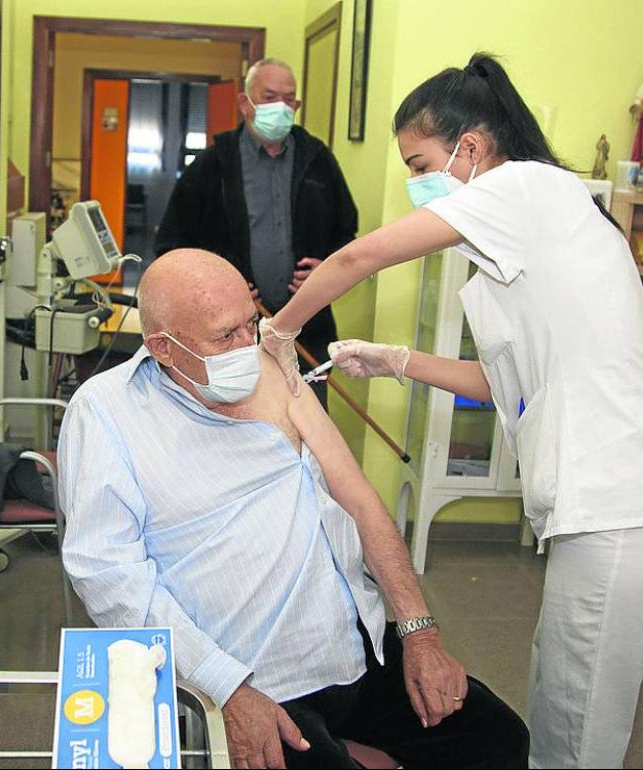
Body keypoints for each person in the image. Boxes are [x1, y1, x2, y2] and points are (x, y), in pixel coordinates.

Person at [261, 53, 643, 769]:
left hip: (626, 501)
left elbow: (355, 260)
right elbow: (504, 380)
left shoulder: (525, 189)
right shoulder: (517, 228)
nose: (415, 184)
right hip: (609, 505)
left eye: (418, 163)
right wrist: (394, 360)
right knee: (559, 685)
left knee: (579, 723)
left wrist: (277, 332)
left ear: (469, 148)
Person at [58, 249, 529, 769]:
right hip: (252, 677)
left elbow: (361, 502)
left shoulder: (274, 373)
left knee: (499, 739)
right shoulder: (106, 412)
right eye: (224, 336)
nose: (248, 344)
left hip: (354, 649)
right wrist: (226, 689)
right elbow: (109, 573)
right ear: (163, 349)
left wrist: (420, 635)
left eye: (251, 322)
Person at [154, 58, 358, 404]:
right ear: (244, 102)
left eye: (288, 99)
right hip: (228, 338)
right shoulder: (213, 164)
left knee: (307, 435)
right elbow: (172, 247)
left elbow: (346, 232)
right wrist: (216, 287)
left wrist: (326, 269)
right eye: (269, 97)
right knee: (236, 435)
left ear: (297, 106)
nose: (280, 106)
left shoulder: (318, 159)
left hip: (306, 329)